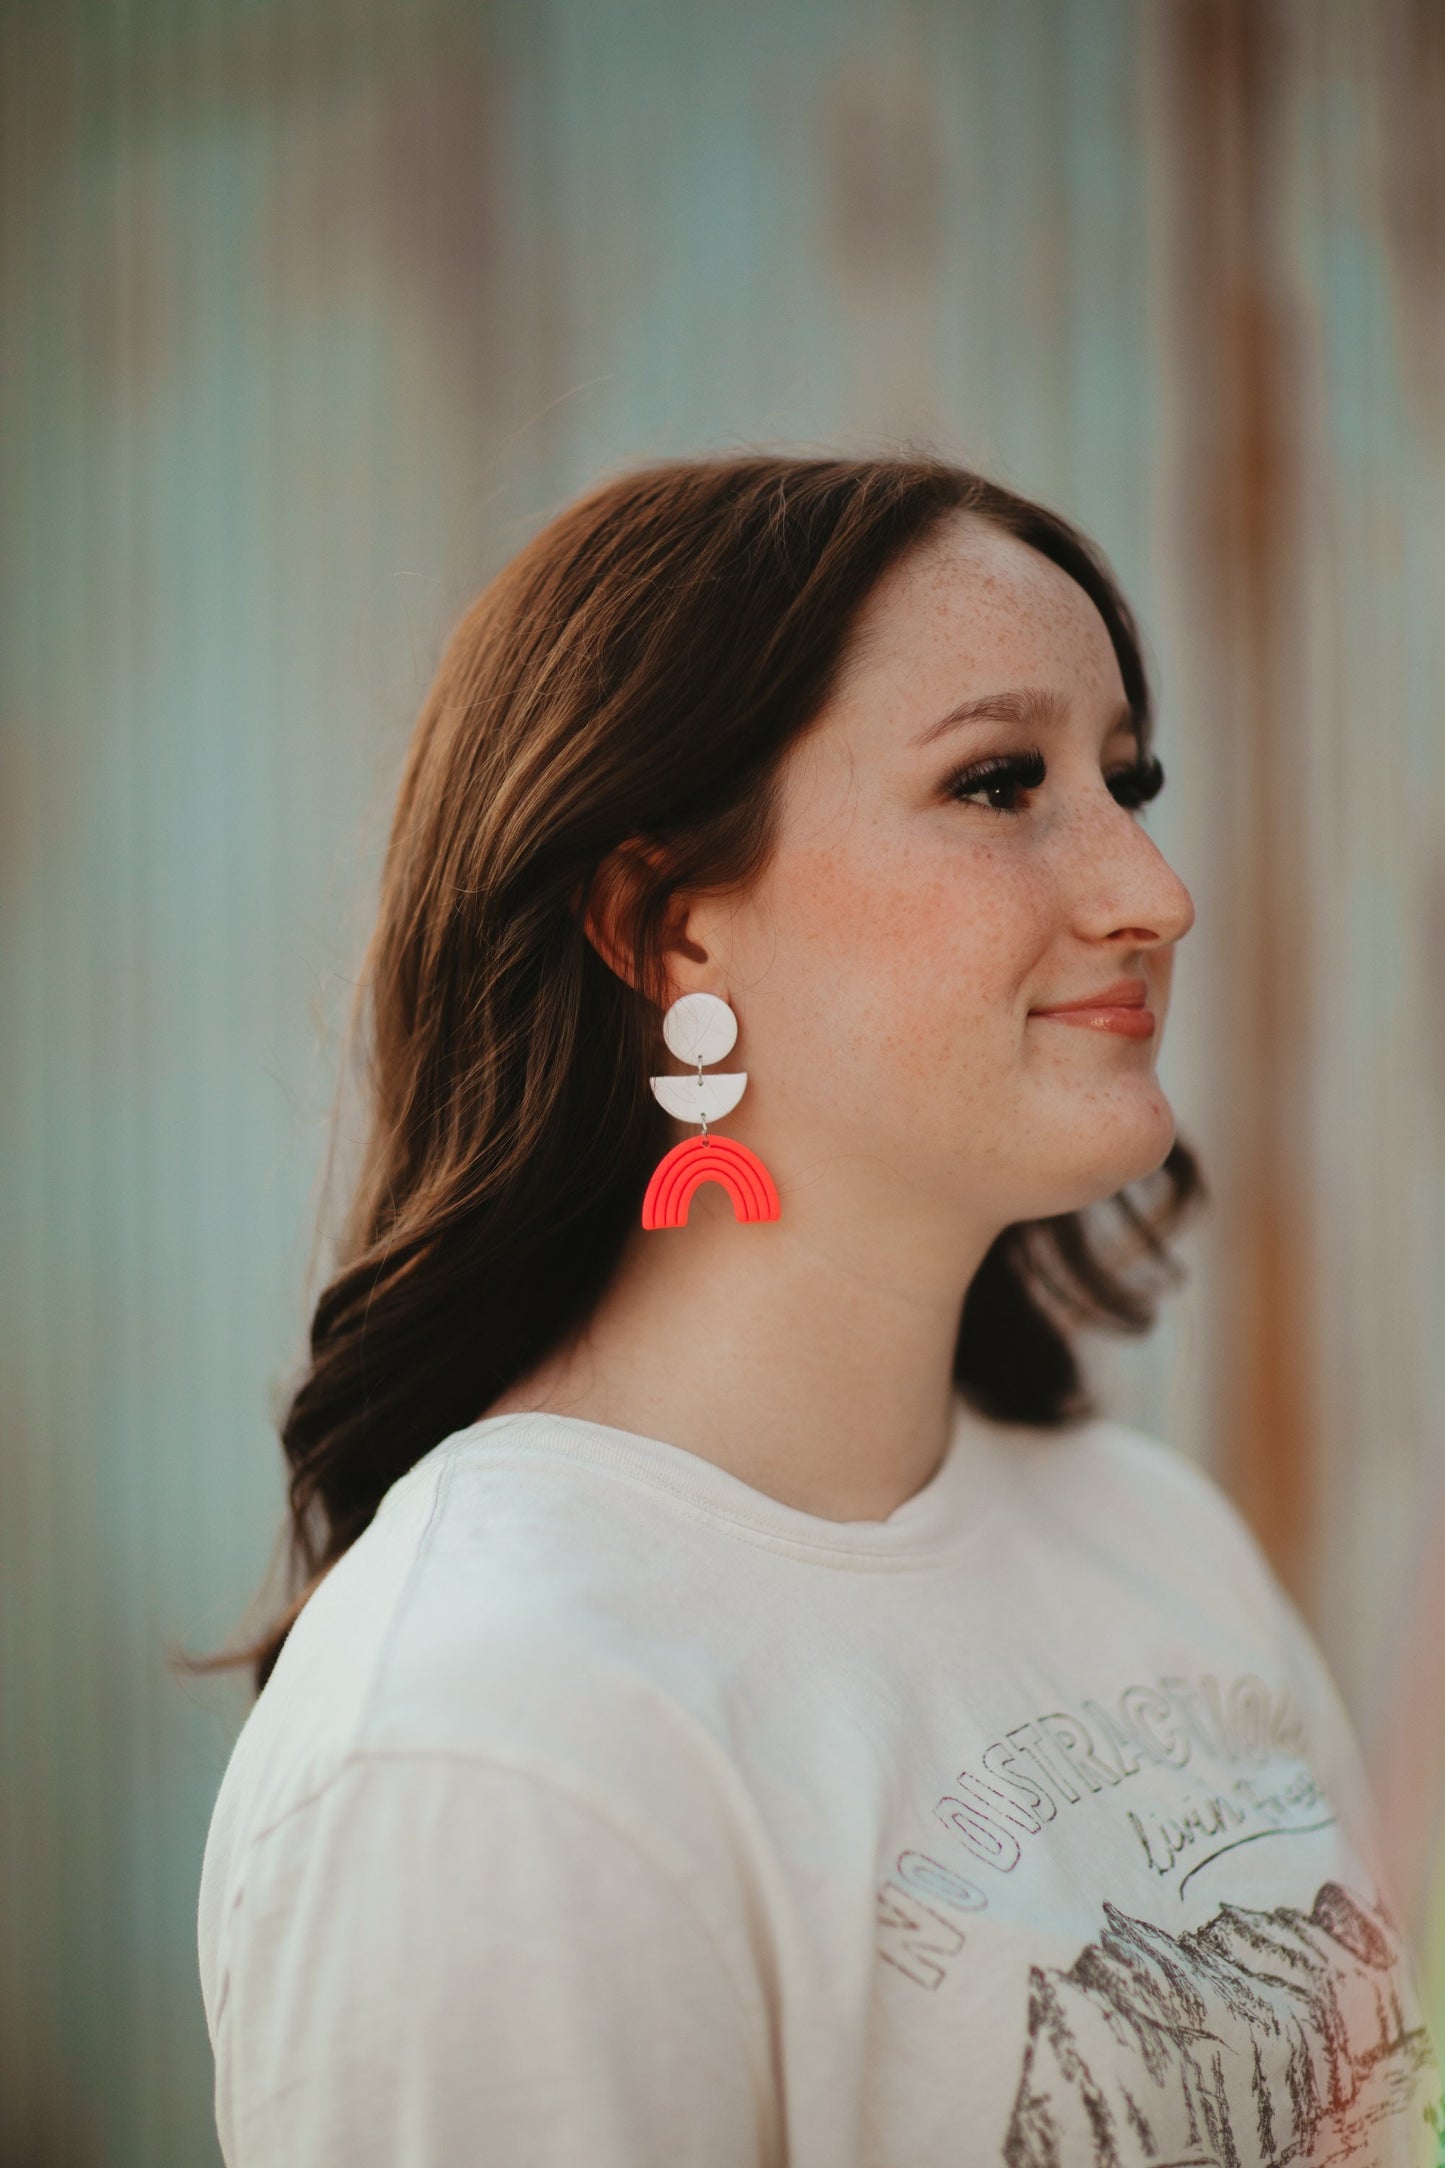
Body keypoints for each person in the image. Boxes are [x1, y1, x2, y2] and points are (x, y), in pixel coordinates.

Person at [195, 453, 1442, 2166]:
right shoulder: (491, 1736)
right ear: (666, 929)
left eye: (1125, 779)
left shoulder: (1150, 1541)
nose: (1154, 891)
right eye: (1000, 783)